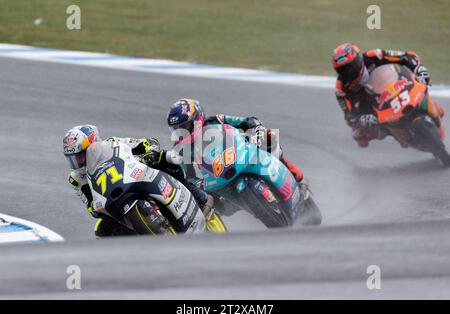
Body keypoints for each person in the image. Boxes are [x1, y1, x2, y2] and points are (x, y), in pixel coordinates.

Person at [63, 124, 218, 237]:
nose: (78, 161)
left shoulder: (113, 143)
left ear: (93, 144)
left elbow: (145, 143)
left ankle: (199, 197)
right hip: (113, 202)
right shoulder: (76, 178)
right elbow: (88, 203)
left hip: (135, 174)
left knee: (167, 161)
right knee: (101, 231)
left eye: (81, 155)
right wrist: (94, 208)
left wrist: (150, 152)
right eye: (74, 158)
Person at [166, 98, 305, 185]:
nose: (180, 131)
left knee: (268, 137)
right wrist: (199, 184)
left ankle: (294, 174)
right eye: (176, 128)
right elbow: (188, 177)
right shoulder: (181, 149)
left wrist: (256, 133)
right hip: (216, 179)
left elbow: (248, 121)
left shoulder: (215, 120)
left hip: (242, 152)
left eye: (184, 126)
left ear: (197, 118)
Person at [332, 43, 444, 147]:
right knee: (359, 136)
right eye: (343, 70)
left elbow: (408, 56)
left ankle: (431, 107)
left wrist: (419, 68)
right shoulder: (341, 89)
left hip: (396, 86)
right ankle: (394, 133)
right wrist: (361, 118)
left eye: (351, 66)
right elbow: (349, 115)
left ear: (359, 58)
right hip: (371, 106)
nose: (349, 72)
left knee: (421, 85)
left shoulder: (375, 55)